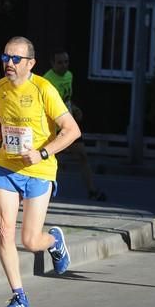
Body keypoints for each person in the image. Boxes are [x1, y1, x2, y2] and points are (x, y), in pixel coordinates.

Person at [0, 36, 81, 307]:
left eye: (15, 59)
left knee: (31, 241)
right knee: (3, 231)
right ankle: (19, 297)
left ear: (30, 63)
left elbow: (72, 130)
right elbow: (0, 127)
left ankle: (54, 242)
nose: (8, 64)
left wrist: (43, 154)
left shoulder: (44, 89)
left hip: (39, 170)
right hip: (6, 167)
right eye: (5, 58)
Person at [44, 50, 107, 201]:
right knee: (47, 158)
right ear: (52, 64)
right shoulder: (47, 80)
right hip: (52, 126)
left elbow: (66, 99)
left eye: (66, 62)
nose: (64, 65)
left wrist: (75, 108)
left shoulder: (69, 75)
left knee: (82, 155)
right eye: (60, 62)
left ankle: (92, 190)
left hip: (68, 124)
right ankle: (40, 191)